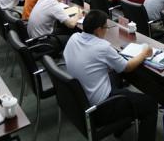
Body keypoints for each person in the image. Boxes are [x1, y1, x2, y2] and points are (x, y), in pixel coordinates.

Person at [63, 10, 157, 141]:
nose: (107, 30)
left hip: (80, 100)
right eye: (106, 27)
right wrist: (144, 54)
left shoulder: (74, 38)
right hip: (100, 108)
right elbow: (127, 67)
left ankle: (120, 126)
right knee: (150, 104)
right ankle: (121, 121)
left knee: (115, 74)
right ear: (98, 30)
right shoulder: (102, 47)